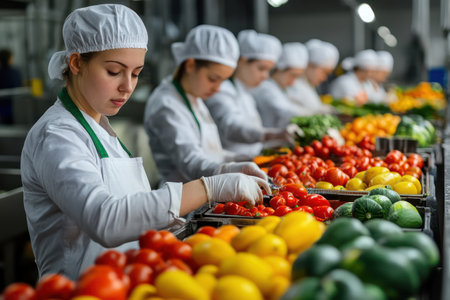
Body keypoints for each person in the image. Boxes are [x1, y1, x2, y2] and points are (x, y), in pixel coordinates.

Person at [21, 4, 270, 280]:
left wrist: (224, 170)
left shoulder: (100, 126)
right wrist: (208, 187)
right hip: (83, 289)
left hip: (125, 280)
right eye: (114, 71)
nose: (127, 86)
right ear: (77, 63)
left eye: (136, 73)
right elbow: (106, 219)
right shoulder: (56, 135)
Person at [144, 25, 268, 184]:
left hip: (206, 192)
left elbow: (211, 154)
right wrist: (227, 169)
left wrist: (245, 159)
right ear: (190, 65)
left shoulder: (194, 97)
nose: (217, 88)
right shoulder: (166, 104)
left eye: (222, 81)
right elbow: (191, 162)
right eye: (213, 78)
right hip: (184, 199)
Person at [205, 30, 294, 158]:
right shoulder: (222, 90)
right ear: (241, 61)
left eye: (269, 70)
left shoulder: (246, 92)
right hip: (233, 163)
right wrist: (269, 135)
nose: (265, 76)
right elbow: (232, 126)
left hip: (251, 159)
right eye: (261, 68)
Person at [251, 42, 309, 129]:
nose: (293, 81)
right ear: (279, 69)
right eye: (293, 75)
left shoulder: (283, 89)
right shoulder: (265, 88)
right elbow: (285, 111)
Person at [285, 39, 339, 114]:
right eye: (325, 72)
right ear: (311, 64)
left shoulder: (308, 84)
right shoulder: (293, 83)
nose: (324, 78)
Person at [0, 48, 22, 124]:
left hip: (3, 106)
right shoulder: (15, 73)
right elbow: (19, 85)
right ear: (9, 59)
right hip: (14, 106)